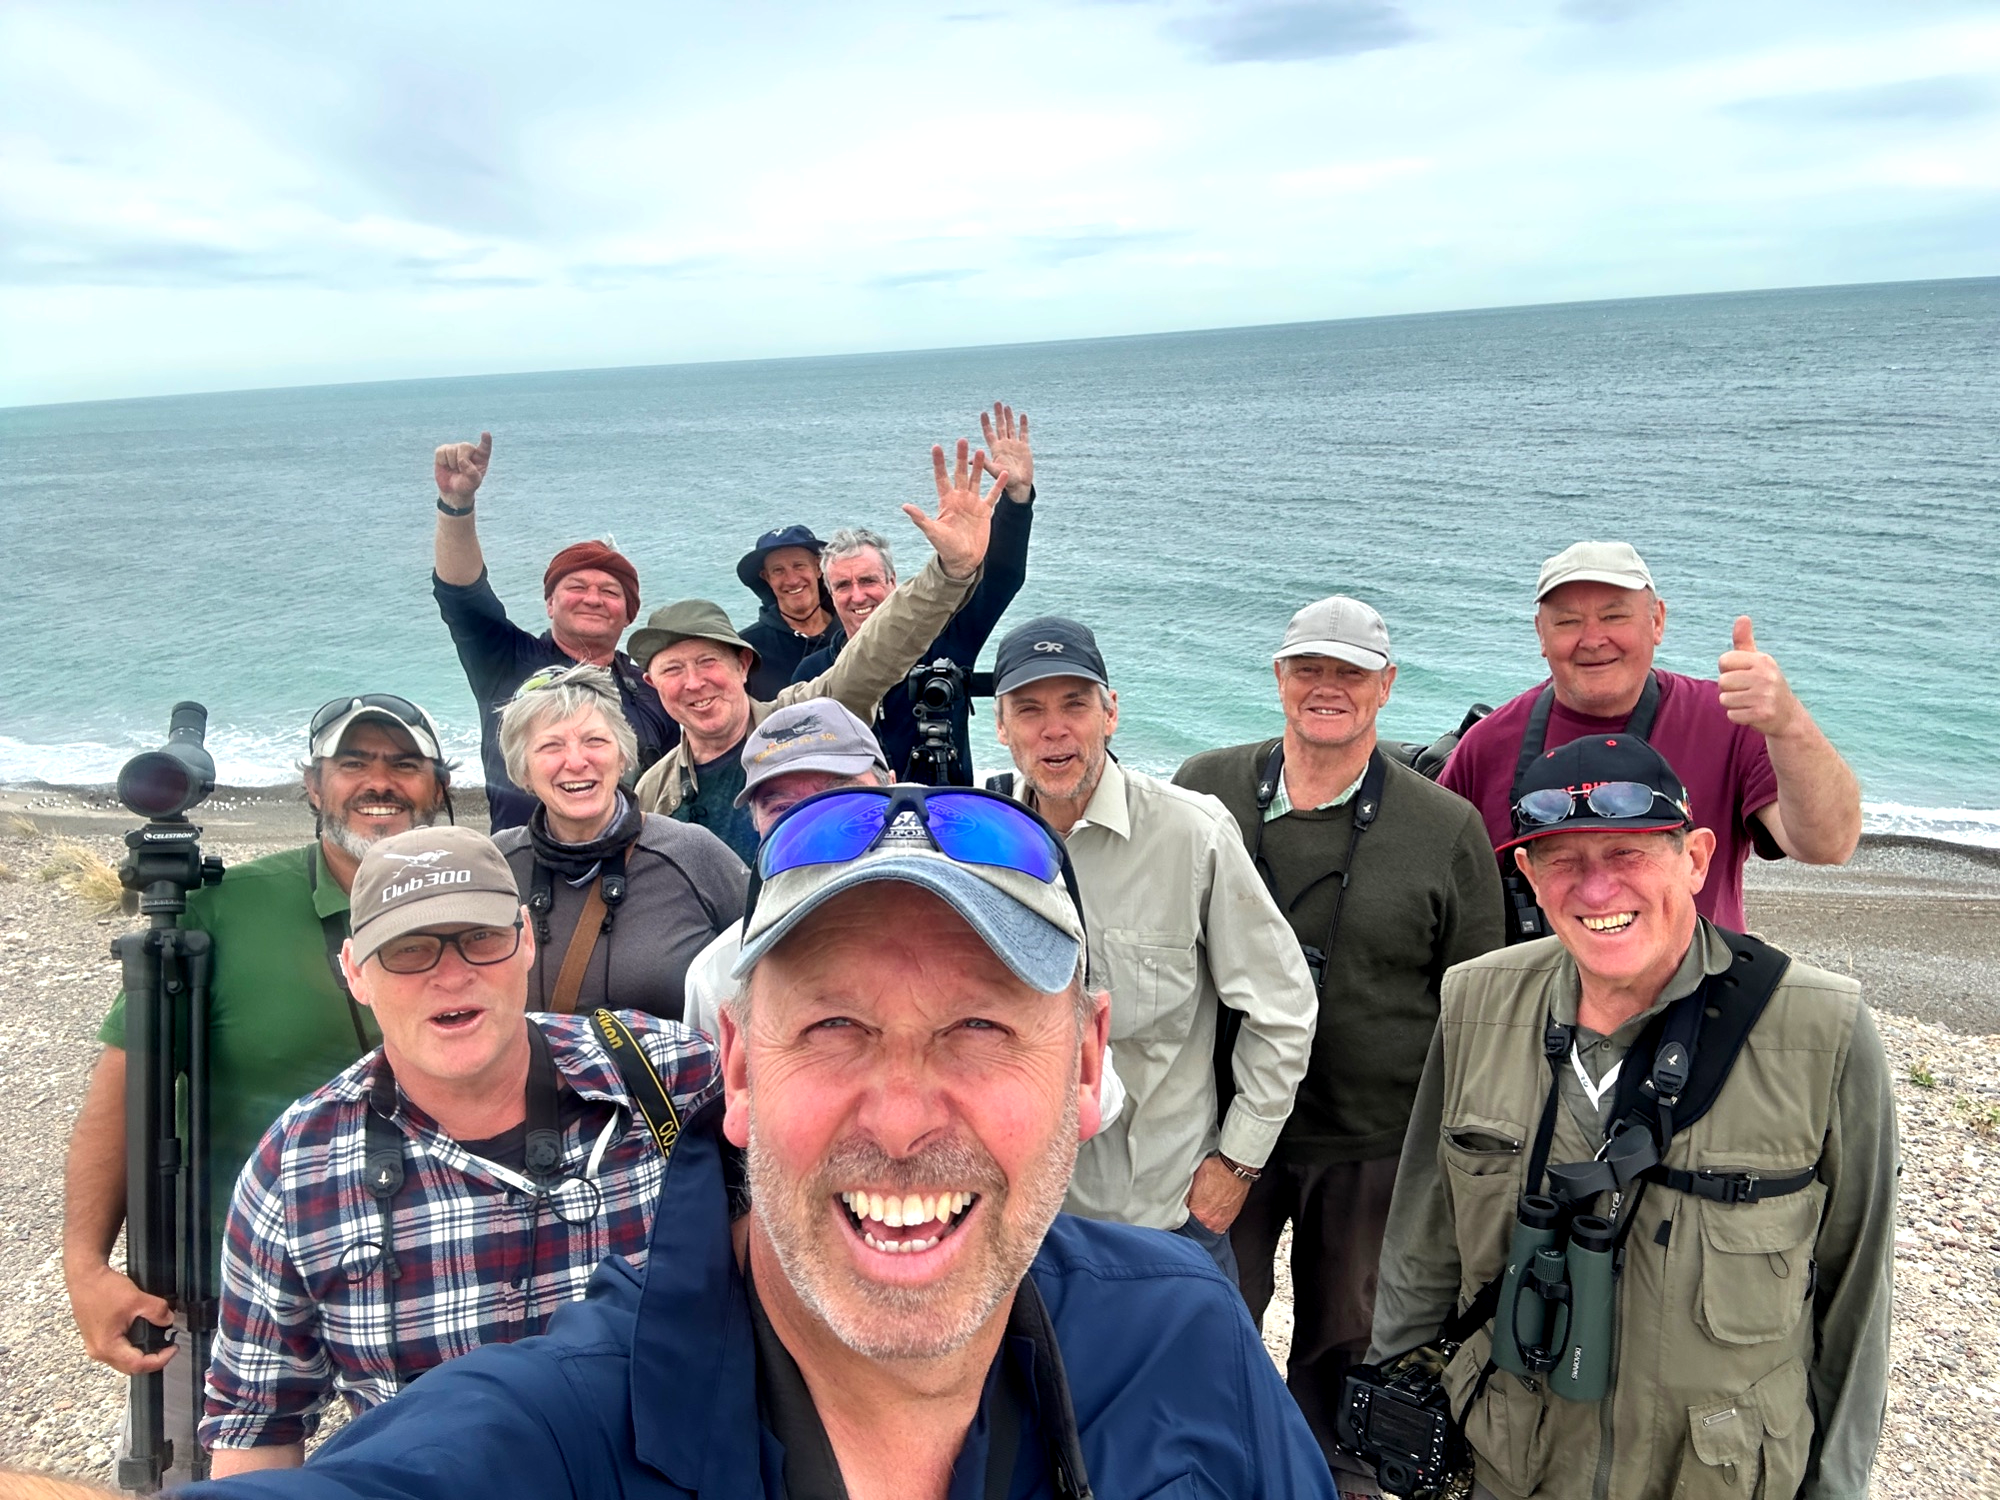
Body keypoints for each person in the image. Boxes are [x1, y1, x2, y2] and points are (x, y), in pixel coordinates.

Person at [45, 780, 1339, 1500]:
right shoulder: (312, 1179)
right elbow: (273, 1436)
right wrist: (87, 1258)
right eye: (830, 1027)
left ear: (1088, 1064)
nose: (898, 1116)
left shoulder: (1184, 1341)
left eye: (981, 1028)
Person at [1369, 733, 1895, 1500]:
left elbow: (1857, 1295)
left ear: (1697, 858)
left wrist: (1835, 1489)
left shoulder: (1823, 1029)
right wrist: (1402, 1423)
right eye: (1562, 860)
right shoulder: (1475, 1002)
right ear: (1526, 873)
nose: (1596, 889)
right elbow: (1421, 1245)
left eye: (1628, 853)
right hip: (1508, 1465)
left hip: (1714, 1478)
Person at [200, 826, 717, 1476]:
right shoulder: (296, 1172)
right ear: (355, 971)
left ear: (526, 939)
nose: (451, 974)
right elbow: (258, 1427)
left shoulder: (667, 1078)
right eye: (410, 949)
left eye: (480, 939)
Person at [61, 695, 452, 1489]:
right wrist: (85, 1266)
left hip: (425, 1293)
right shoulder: (225, 912)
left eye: (403, 764)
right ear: (313, 785)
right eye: (354, 763)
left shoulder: (468, 904)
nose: (380, 783)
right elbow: (119, 1097)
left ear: (438, 785)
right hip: (223, 1301)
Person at [1174, 594, 1506, 1460]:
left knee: (1345, 1330)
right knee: (1202, 1311)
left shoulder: (1445, 826)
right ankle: (1217, 1459)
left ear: (1386, 686)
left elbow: (1474, 1004)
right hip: (1215, 1125)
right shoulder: (1204, 788)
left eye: (1350, 673)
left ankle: (1327, 1469)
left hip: (1370, 1137)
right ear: (1279, 677)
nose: (1328, 688)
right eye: (1308, 669)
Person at [989, 615, 1318, 1275]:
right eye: (1030, 710)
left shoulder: (1192, 834)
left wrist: (1237, 1163)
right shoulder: (975, 840)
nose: (1054, 729)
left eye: (1075, 705)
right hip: (1017, 1221)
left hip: (1164, 1223)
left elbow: (1282, 1009)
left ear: (1110, 713)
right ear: (1002, 728)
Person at [1437, 540, 1861, 933]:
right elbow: (1434, 888)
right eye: (1568, 621)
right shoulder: (1486, 746)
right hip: (1529, 1005)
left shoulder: (1727, 722)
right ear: (1540, 636)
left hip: (1698, 1003)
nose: (1592, 639)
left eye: (1614, 616)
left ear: (1657, 620)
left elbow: (1829, 844)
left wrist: (1789, 723)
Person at [631, 439, 1006, 860]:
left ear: (742, 665)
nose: (694, 682)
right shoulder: (653, 791)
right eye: (673, 670)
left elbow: (875, 653)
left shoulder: (801, 721)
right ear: (651, 683)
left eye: (707, 662)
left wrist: (950, 572)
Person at [429, 431, 677, 831]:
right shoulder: (505, 659)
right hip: (524, 866)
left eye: (610, 592)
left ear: (629, 614)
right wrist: (457, 506)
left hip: (633, 868)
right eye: (576, 587)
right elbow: (461, 594)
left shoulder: (651, 689)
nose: (592, 598)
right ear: (549, 604)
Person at [792, 403, 1039, 783]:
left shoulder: (947, 640)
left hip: (948, 818)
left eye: (869, 581)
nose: (858, 595)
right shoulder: (814, 673)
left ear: (894, 583)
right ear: (829, 593)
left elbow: (1002, 576)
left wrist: (1017, 497)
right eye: (843, 585)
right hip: (857, 822)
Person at [488, 664, 747, 1020]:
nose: (577, 761)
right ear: (523, 771)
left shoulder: (692, 854)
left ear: (623, 755)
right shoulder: (496, 864)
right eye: (551, 746)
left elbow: (769, 968)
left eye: (595, 741)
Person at [678, 697, 893, 1038]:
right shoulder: (720, 974)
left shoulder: (973, 926)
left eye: (842, 797)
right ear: (757, 824)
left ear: (892, 789)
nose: (812, 823)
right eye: (783, 808)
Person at [736, 523, 838, 698]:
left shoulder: (852, 631)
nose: (791, 580)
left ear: (818, 568)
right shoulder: (747, 650)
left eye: (799, 566)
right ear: (766, 578)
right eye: (778, 571)